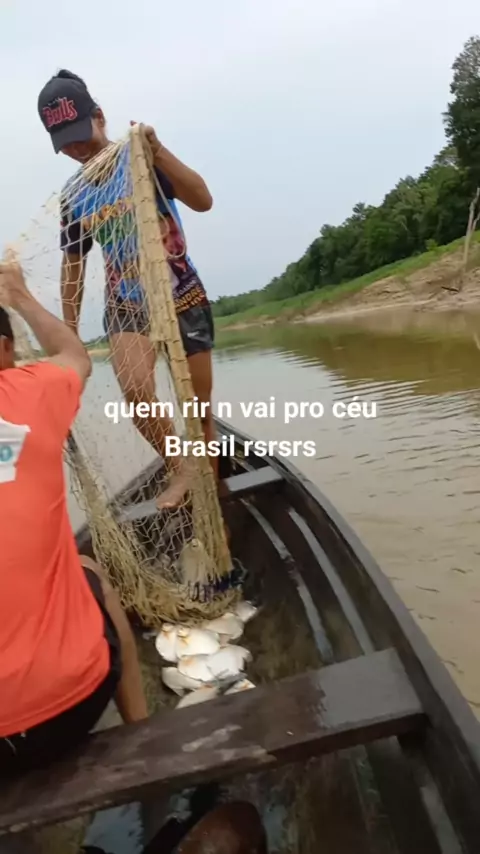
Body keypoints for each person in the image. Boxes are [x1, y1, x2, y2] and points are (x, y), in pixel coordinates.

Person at [37, 69, 218, 511]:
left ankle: (216, 506)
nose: (77, 150)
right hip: (126, 301)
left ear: (99, 116)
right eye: (66, 145)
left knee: (198, 413)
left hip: (180, 290)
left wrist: (159, 150)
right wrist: (69, 336)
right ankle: (179, 466)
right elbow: (73, 266)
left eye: (81, 136)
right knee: (137, 391)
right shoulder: (74, 195)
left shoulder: (139, 156)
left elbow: (203, 200)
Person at [0, 259, 148, 775]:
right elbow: (75, 356)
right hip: (71, 710)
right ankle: (143, 738)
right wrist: (20, 294)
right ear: (6, 350)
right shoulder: (27, 390)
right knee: (92, 574)